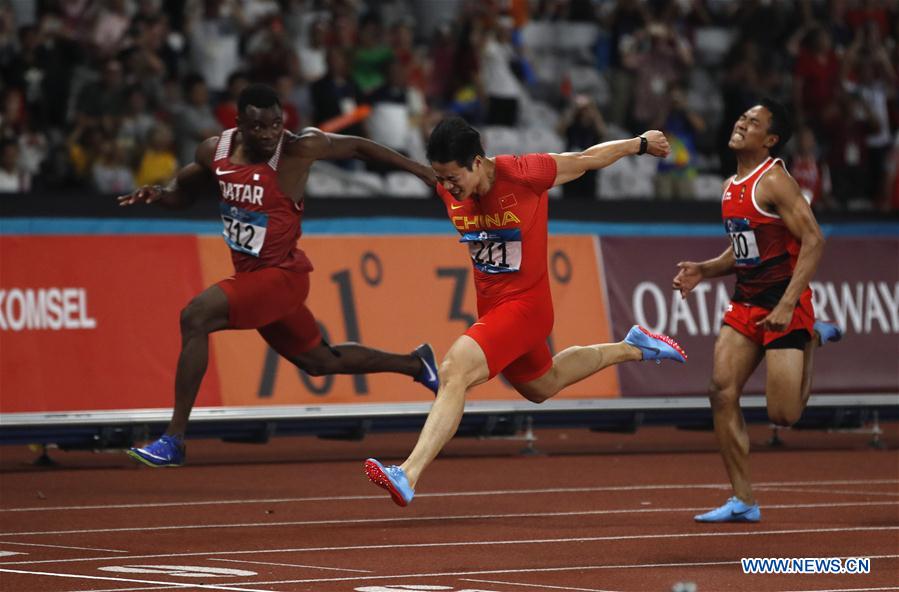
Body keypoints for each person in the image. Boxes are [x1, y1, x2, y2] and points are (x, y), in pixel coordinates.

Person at [364, 116, 687, 507]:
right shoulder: (448, 188)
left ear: (478, 162)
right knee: (542, 386)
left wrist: (637, 143)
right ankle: (634, 347)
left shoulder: (525, 173)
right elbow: (419, 172)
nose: (447, 188)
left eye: (453, 178)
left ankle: (408, 473)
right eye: (441, 179)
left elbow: (585, 159)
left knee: (454, 370)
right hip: (493, 308)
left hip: (527, 307)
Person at [118, 84, 440, 467]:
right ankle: (416, 363)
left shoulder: (298, 149)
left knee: (195, 316)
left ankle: (174, 439)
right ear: (238, 125)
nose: (270, 134)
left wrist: (421, 171)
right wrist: (158, 194)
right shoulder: (213, 152)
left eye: (275, 124)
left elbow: (358, 146)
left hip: (283, 277)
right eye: (258, 127)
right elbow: (183, 193)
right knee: (321, 362)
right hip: (257, 281)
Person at [672, 99, 842, 523]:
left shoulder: (776, 180)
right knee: (720, 391)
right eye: (742, 117)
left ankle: (813, 337)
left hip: (786, 302)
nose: (741, 123)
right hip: (745, 304)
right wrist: (704, 270)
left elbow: (815, 240)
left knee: (784, 416)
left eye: (753, 122)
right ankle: (744, 499)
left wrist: (788, 305)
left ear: (769, 139)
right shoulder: (731, 185)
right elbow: (745, 251)